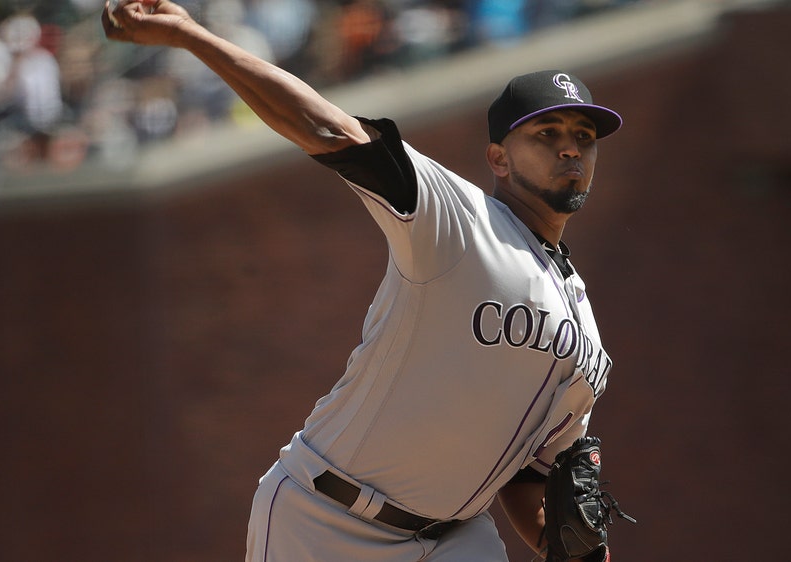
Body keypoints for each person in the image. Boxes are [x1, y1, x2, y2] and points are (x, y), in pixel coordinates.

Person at [102, 2, 623, 561]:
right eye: (546, 132)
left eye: (583, 136)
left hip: (455, 538)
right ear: (498, 157)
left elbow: (529, 473)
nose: (570, 147)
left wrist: (575, 548)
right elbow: (328, 128)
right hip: (326, 519)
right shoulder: (461, 221)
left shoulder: (586, 330)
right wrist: (189, 34)